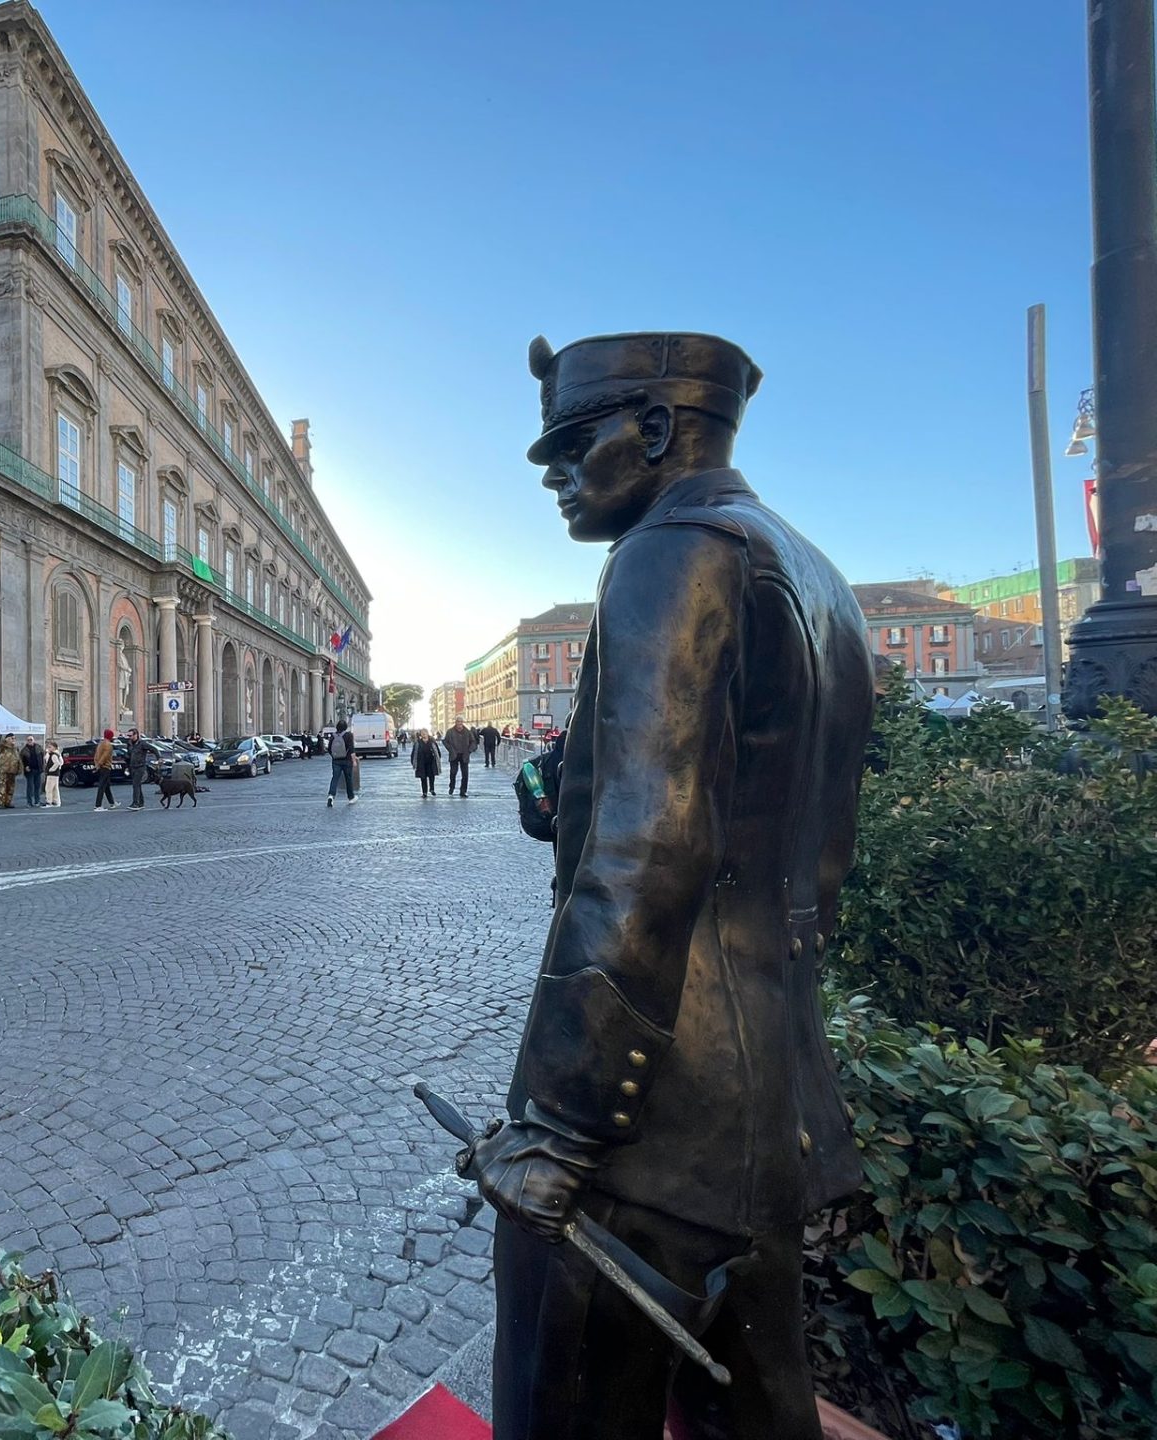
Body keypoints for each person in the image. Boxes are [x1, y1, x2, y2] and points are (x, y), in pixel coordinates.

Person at [473, 332, 872, 1440]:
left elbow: (646, 861)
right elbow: (799, 851)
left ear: (653, 431)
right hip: (770, 1098)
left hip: (650, 1121)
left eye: (567, 443)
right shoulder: (819, 578)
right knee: (753, 1410)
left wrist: (560, 1123)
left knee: (568, 1402)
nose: (549, 472)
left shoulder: (669, 555)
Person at [326, 719, 357, 806]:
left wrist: (334, 756)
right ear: (345, 727)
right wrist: (354, 761)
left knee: (335, 778)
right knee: (348, 779)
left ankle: (331, 796)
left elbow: (329, 749)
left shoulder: (333, 736)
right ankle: (351, 797)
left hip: (336, 761)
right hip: (347, 760)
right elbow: (351, 749)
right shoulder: (348, 735)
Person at [444, 720, 474, 797]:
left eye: (461, 723)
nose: (459, 725)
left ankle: (463, 791)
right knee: (453, 772)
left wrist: (469, 750)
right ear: (456, 723)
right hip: (454, 755)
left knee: (465, 774)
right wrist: (450, 749)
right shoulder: (450, 731)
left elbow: (473, 742)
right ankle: (452, 786)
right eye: (458, 723)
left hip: (464, 755)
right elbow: (445, 741)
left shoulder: (467, 732)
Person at [411, 728, 442, 798]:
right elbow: (414, 753)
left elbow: (437, 751)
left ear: (428, 733)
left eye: (425, 732)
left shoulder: (432, 742)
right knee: (423, 778)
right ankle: (424, 792)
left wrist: (438, 759)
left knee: (432, 777)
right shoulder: (418, 743)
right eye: (422, 733)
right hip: (421, 763)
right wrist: (413, 762)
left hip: (431, 762)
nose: (424, 734)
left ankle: (432, 789)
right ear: (421, 734)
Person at [92, 729, 117, 812]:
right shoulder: (108, 745)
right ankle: (97, 805)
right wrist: (99, 764)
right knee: (102, 786)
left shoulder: (100, 744)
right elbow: (105, 756)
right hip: (105, 767)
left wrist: (97, 764)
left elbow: (96, 756)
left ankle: (112, 803)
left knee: (106, 786)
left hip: (101, 767)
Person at [0, 736, 21, 808]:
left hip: (12, 770)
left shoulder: (15, 748)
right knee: (2, 786)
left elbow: (18, 759)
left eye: (14, 738)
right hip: (3, 770)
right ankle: (0, 802)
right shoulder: (2, 747)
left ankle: (8, 802)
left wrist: (19, 768)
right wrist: (5, 741)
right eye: (12, 738)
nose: (13, 740)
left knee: (10, 787)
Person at [126, 729, 149, 811]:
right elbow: (128, 756)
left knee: (135, 785)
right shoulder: (129, 744)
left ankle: (135, 803)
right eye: (128, 736)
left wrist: (159, 758)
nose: (129, 737)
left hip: (140, 767)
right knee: (138, 785)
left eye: (130, 735)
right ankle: (141, 803)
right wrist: (127, 766)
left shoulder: (142, 743)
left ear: (136, 735)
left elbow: (154, 749)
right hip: (132, 767)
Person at [21, 736, 44, 807]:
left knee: (37, 786)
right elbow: (21, 761)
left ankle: (37, 801)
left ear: (34, 740)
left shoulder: (39, 747)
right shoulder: (24, 750)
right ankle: (29, 802)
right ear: (26, 741)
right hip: (29, 771)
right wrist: (25, 767)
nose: (30, 741)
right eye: (28, 740)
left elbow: (42, 757)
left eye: (31, 739)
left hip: (38, 769)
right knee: (30, 787)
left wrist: (42, 767)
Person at [43, 740, 63, 807]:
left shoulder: (53, 755)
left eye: (50, 747)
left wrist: (51, 769)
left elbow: (57, 763)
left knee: (48, 788)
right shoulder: (56, 754)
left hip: (52, 774)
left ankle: (49, 802)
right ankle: (56, 801)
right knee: (55, 788)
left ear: (54, 747)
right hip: (55, 774)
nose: (48, 748)